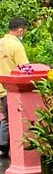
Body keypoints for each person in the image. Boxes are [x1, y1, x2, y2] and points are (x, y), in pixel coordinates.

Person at [0, 16, 29, 158]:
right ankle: (9, 148)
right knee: (15, 119)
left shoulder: (1, 43)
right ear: (20, 30)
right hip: (12, 89)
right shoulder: (16, 46)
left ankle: (3, 146)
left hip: (1, 88)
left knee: (6, 118)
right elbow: (25, 68)